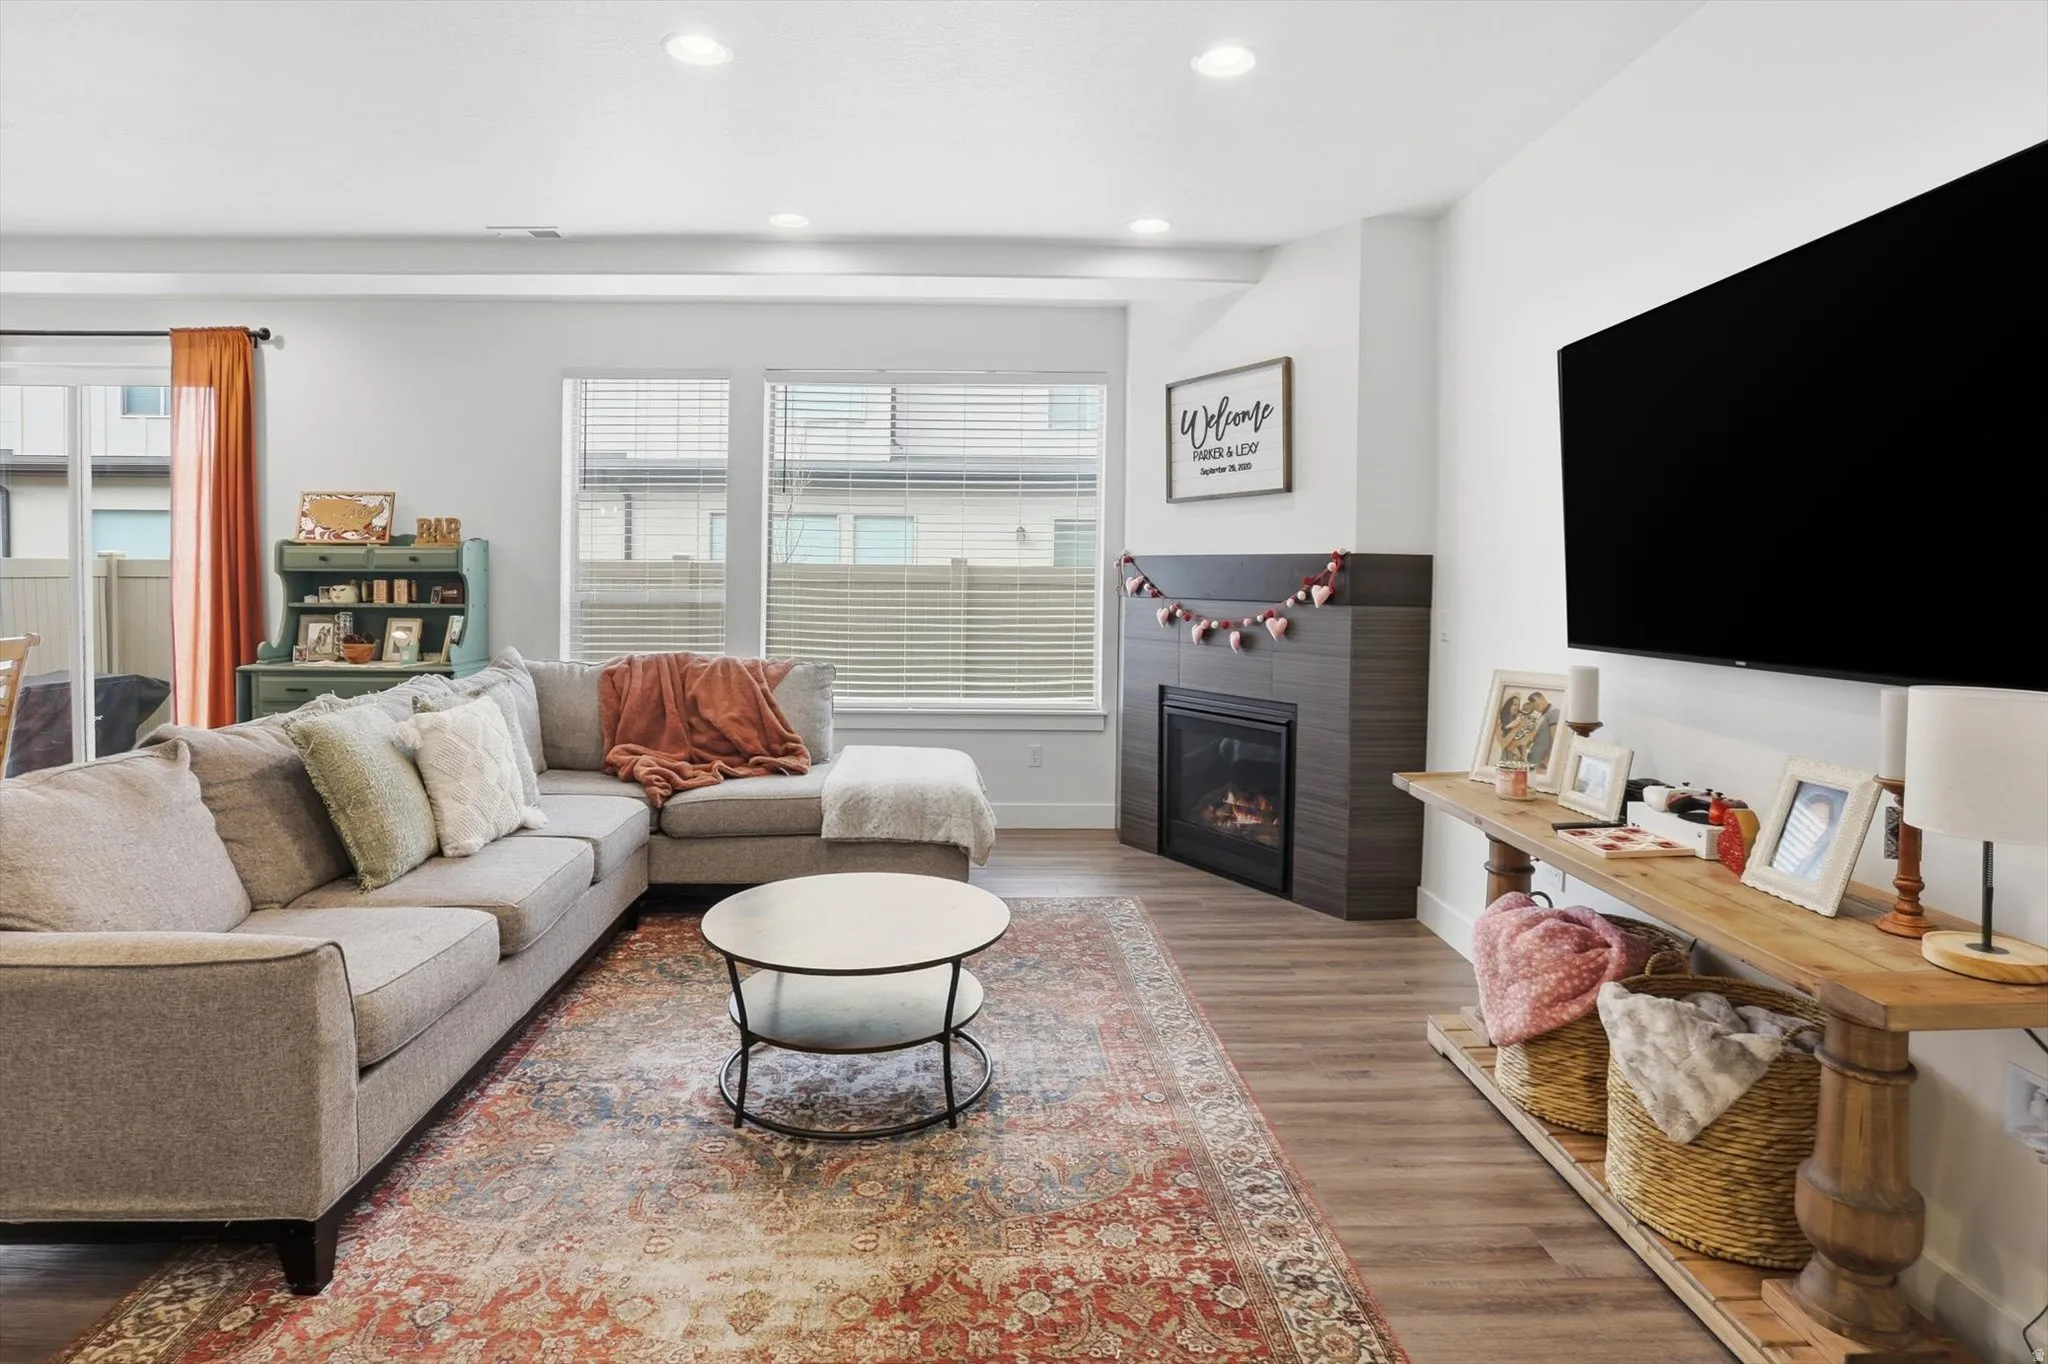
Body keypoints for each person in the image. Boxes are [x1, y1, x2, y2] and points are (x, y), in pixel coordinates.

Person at [1771, 785, 1844, 881]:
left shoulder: (1821, 861)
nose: (1813, 823)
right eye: (1812, 815)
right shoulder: (1782, 844)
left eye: (1821, 819)